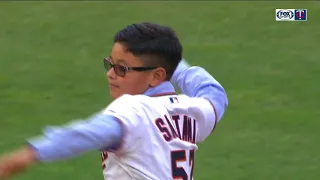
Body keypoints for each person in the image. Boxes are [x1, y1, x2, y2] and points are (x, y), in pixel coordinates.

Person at [0, 22, 228, 180]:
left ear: (156, 75)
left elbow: (87, 133)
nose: (111, 74)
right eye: (111, 65)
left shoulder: (133, 109)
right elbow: (214, 94)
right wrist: (172, 62)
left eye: (122, 69)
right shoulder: (191, 111)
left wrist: (28, 155)